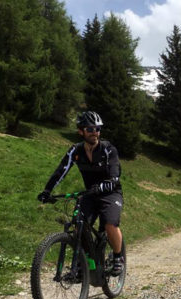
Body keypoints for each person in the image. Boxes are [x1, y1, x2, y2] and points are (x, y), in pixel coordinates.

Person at [37, 111, 125, 276]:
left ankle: (118, 257)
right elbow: (60, 171)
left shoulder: (108, 149)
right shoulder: (75, 151)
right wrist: (47, 190)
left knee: (109, 223)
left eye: (98, 128)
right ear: (81, 131)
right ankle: (83, 264)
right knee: (79, 227)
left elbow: (114, 176)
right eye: (90, 129)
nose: (95, 132)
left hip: (111, 193)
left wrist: (103, 186)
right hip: (90, 194)